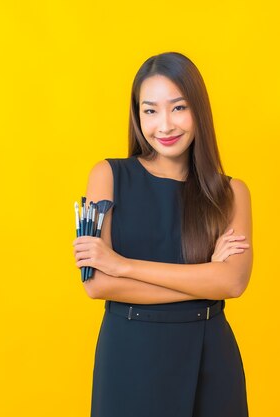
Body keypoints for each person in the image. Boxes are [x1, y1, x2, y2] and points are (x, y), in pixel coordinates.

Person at [72, 51, 253, 417]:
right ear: (137, 116)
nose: (164, 125)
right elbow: (97, 285)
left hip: (209, 356)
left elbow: (232, 283)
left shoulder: (231, 192)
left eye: (178, 108)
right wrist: (204, 276)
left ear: (198, 110)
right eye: (150, 110)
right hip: (129, 357)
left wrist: (122, 266)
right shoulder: (107, 176)